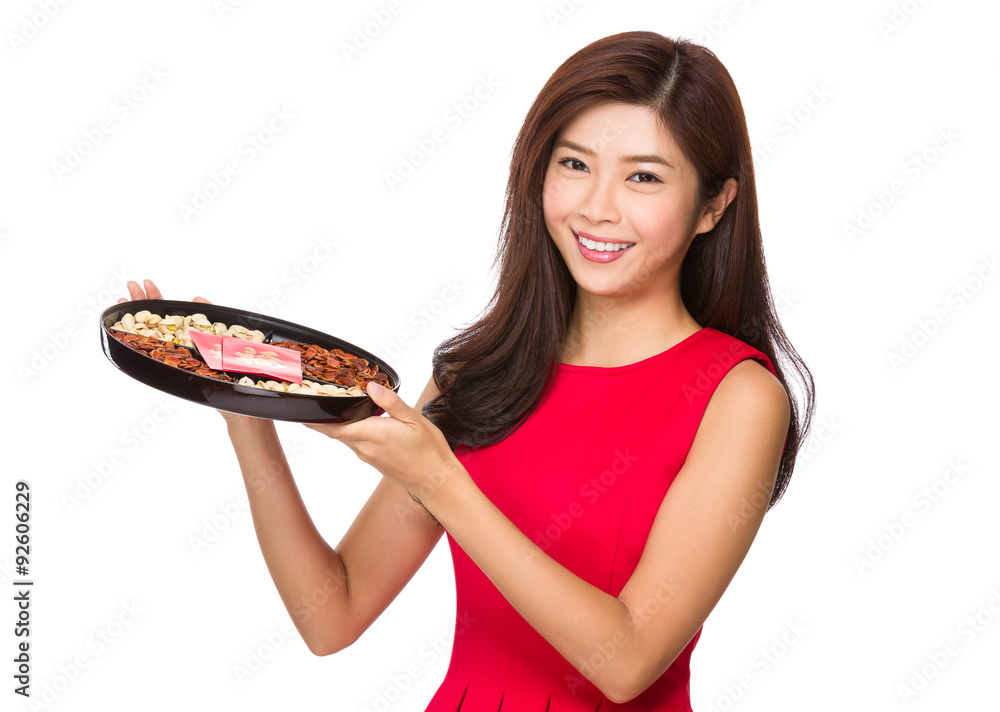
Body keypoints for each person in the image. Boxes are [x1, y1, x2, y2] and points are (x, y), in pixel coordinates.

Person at [121, 30, 814, 711]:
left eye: (643, 176)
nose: (597, 207)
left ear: (714, 205)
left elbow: (627, 662)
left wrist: (440, 480)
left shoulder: (738, 397)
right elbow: (330, 615)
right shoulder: (483, 374)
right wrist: (246, 406)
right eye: (574, 165)